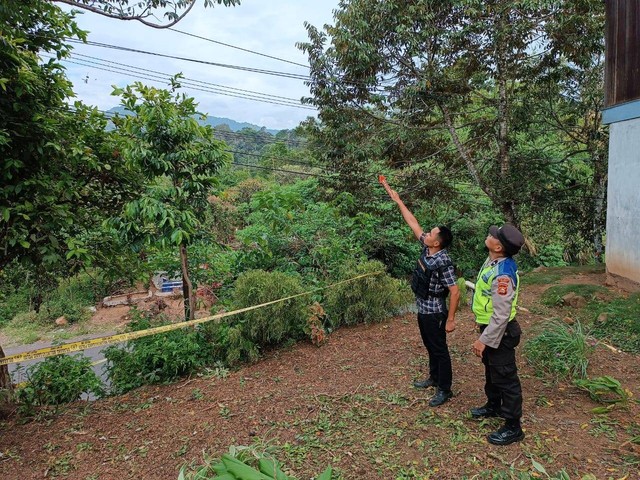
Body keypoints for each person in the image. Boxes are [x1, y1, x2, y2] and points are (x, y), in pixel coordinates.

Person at [383, 182, 460, 407]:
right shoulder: (427, 248)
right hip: (423, 309)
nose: (425, 233)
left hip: (435, 312)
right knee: (429, 344)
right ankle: (434, 378)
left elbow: (454, 292)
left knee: (439, 348)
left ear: (437, 242)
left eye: (431, 233)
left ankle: (445, 389)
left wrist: (451, 319)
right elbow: (413, 223)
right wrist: (398, 201)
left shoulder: (443, 261)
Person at [470, 223, 526, 445]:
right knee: (492, 370)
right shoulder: (493, 262)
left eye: (494, 235)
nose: (489, 234)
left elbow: (501, 316)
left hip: (500, 332)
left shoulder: (503, 275)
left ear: (499, 247)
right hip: (490, 326)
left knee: (506, 377)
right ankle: (493, 405)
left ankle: (513, 426)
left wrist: (484, 340)